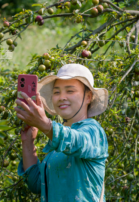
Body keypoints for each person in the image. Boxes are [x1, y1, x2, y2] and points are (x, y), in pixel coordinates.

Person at [14, 63, 109, 202]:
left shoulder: (94, 131)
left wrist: (44, 124)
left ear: (88, 97)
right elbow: (37, 185)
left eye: (70, 91)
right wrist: (28, 141)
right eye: (57, 92)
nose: (61, 97)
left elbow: (76, 141)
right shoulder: (57, 145)